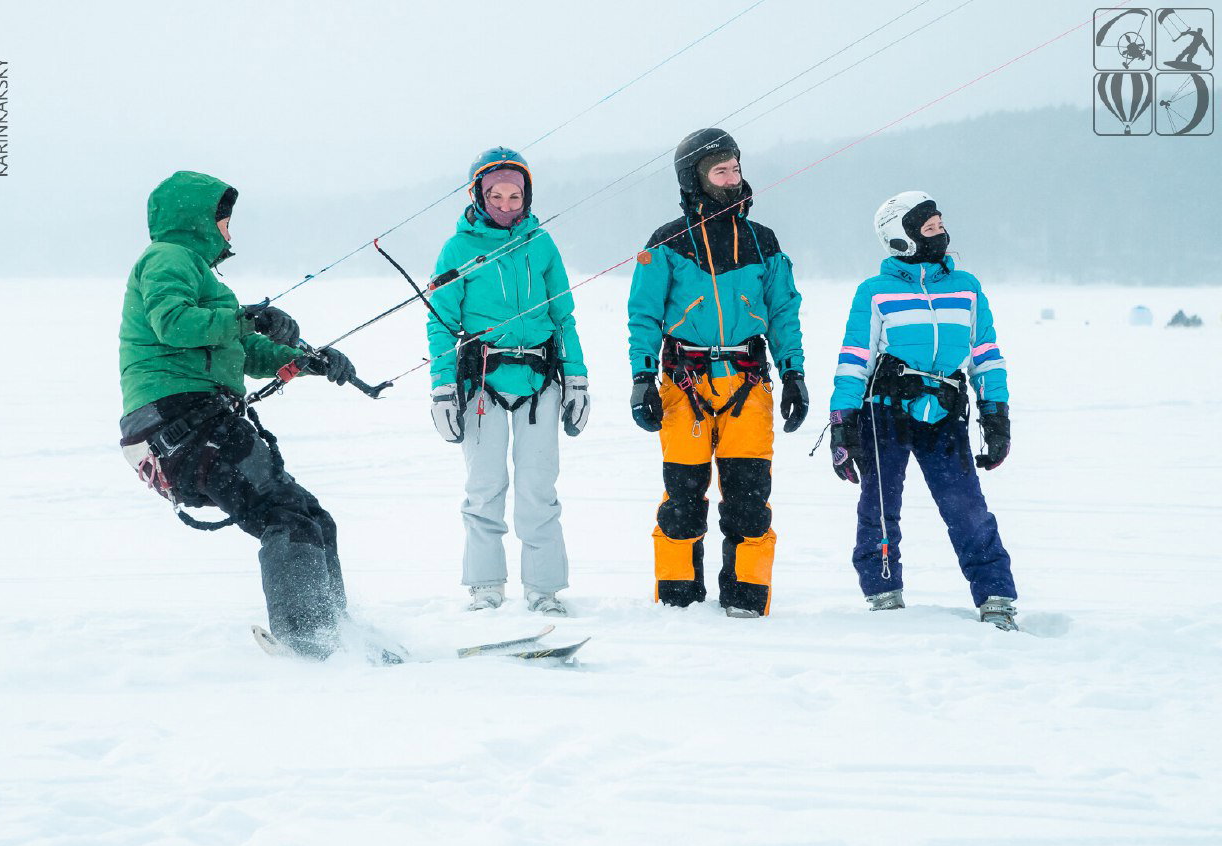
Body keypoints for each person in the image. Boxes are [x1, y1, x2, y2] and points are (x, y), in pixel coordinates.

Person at [118, 170, 358, 658]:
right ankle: (308, 637)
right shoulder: (167, 258)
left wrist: (309, 360)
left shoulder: (203, 276)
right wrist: (250, 315)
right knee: (286, 514)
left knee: (313, 518)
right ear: (200, 218)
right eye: (225, 220)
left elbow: (248, 351)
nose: (230, 231)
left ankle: (337, 633)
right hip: (178, 419)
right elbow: (174, 324)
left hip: (201, 420)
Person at [627, 128, 806, 618]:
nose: (732, 178)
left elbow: (784, 312)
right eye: (719, 170)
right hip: (685, 384)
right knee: (682, 497)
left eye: (735, 168)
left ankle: (746, 600)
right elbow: (643, 314)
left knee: (750, 498)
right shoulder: (666, 242)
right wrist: (642, 377)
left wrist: (794, 374)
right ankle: (677, 598)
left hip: (749, 383)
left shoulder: (762, 241)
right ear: (695, 180)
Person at [826, 191, 1019, 630]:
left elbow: (986, 353)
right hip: (885, 413)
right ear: (901, 238)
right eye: (929, 227)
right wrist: (843, 423)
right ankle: (883, 594)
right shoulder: (875, 293)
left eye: (940, 225)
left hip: (945, 416)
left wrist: (996, 415)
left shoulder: (966, 288)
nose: (942, 233)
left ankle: (996, 598)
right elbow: (854, 358)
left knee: (967, 507)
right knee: (878, 506)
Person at [427, 147, 588, 616]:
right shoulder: (456, 249)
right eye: (495, 194)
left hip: (541, 381)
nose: (504, 203)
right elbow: (440, 322)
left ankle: (544, 590)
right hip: (481, 383)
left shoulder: (541, 243)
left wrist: (576, 379)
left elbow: (565, 317)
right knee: (485, 487)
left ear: (527, 195)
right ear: (478, 195)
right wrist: (441, 388)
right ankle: (484, 587)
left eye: (514, 195)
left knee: (539, 490)